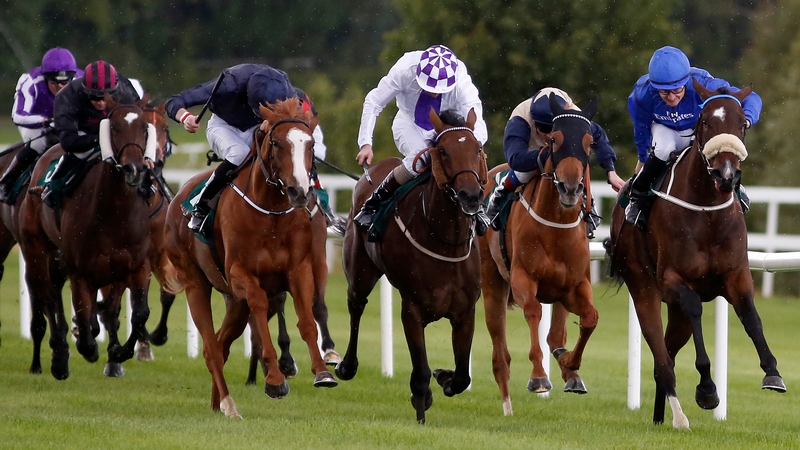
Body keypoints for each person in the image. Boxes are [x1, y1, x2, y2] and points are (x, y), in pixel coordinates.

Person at [355, 44, 490, 235]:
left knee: (469, 154)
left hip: (450, 127)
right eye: (429, 88)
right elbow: (374, 101)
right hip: (410, 123)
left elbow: (476, 118)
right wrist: (366, 143)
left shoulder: (461, 78)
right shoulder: (405, 69)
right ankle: (373, 204)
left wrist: (471, 147)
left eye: (438, 90)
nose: (434, 93)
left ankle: (478, 206)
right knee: (420, 159)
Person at [626, 46, 761, 228]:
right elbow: (641, 128)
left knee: (713, 149)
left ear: (686, 82)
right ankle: (638, 195)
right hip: (665, 128)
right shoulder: (641, 94)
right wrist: (642, 159)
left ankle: (735, 189)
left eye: (677, 90)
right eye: (665, 92)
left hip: (697, 128)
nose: (672, 98)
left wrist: (748, 120)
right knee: (663, 150)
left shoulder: (705, 83)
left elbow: (752, 98)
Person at [166, 64, 298, 231]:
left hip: (255, 128)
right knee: (239, 154)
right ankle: (201, 205)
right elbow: (174, 101)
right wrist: (185, 118)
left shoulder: (284, 88)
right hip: (223, 125)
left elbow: (301, 110)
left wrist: (273, 121)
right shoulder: (230, 83)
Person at [486, 88, 625, 237]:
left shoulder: (574, 117)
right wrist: (548, 154)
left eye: (551, 128)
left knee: (577, 168)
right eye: (544, 128)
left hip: (565, 153)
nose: (549, 134)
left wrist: (611, 170)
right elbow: (515, 159)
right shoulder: (520, 118)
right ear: (534, 121)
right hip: (532, 153)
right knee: (522, 173)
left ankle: (588, 206)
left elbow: (599, 138)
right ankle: (500, 195)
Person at [39, 60, 142, 208]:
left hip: (118, 133)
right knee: (78, 154)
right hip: (84, 133)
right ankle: (53, 186)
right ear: (85, 90)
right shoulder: (67, 96)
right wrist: (101, 140)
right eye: (95, 97)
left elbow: (138, 124)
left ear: (115, 90)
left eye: (106, 97)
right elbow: (68, 142)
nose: (101, 103)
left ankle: (151, 188)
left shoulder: (126, 90)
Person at [0, 48, 83, 203]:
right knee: (38, 144)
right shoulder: (30, 81)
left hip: (67, 122)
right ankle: (6, 182)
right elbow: (18, 115)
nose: (60, 86)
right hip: (35, 122)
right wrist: (45, 121)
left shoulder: (82, 80)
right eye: (54, 82)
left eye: (65, 82)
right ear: (45, 77)